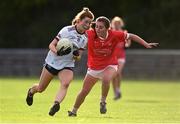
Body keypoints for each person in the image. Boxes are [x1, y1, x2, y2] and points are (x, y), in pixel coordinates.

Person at [68, 16, 158, 116]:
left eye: (101, 27)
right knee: (84, 91)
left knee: (106, 79)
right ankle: (73, 111)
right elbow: (75, 31)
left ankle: (103, 102)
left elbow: (131, 36)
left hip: (110, 65)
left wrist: (146, 44)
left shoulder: (114, 34)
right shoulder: (90, 34)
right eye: (96, 27)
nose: (97, 29)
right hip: (94, 67)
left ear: (107, 28)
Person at [25, 7, 94, 116]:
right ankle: (31, 91)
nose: (88, 24)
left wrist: (76, 55)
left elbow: (79, 56)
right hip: (52, 62)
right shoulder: (66, 30)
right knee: (41, 88)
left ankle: (56, 104)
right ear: (79, 20)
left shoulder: (86, 38)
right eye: (86, 21)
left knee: (66, 83)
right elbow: (51, 45)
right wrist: (57, 52)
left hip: (67, 64)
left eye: (90, 23)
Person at [111, 16, 130, 100]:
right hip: (112, 57)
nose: (116, 25)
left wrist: (127, 44)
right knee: (113, 75)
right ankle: (115, 92)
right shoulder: (110, 32)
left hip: (121, 56)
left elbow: (128, 43)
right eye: (115, 23)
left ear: (120, 24)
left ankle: (118, 89)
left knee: (117, 73)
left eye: (118, 23)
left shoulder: (124, 33)